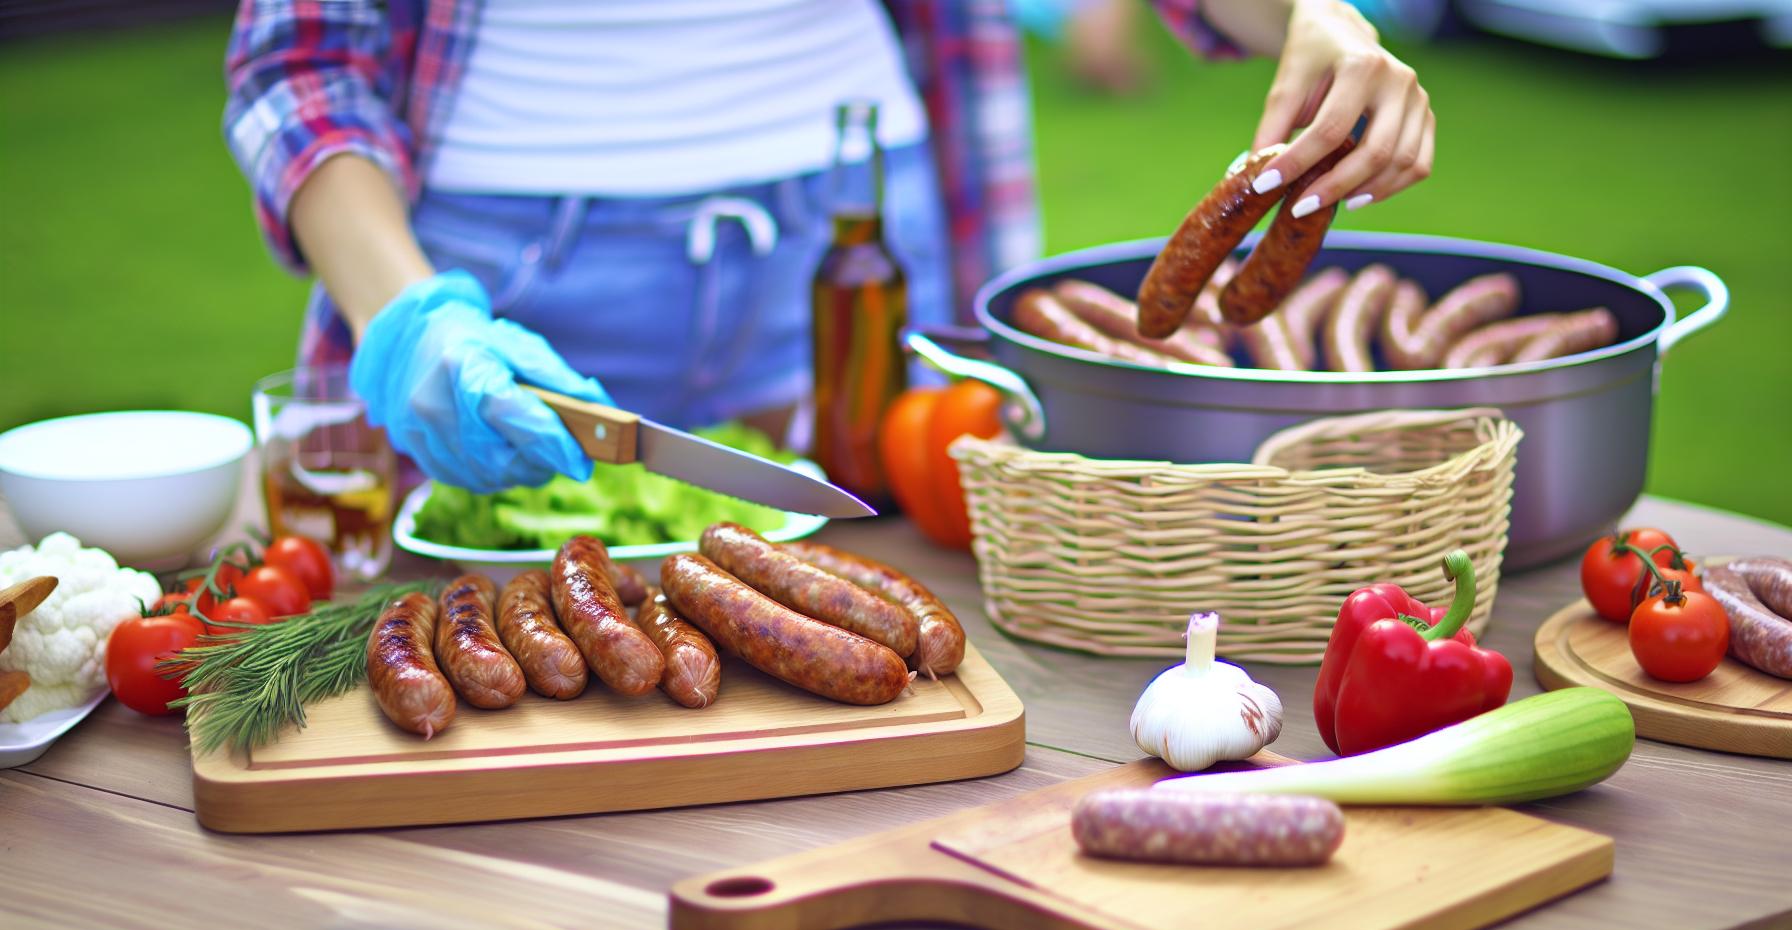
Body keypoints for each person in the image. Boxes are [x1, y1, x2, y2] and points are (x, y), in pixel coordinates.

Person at [224, 0, 1434, 492]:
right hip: (492, 281)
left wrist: (1313, 15)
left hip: (862, 254)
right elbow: (302, 61)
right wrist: (411, 318)